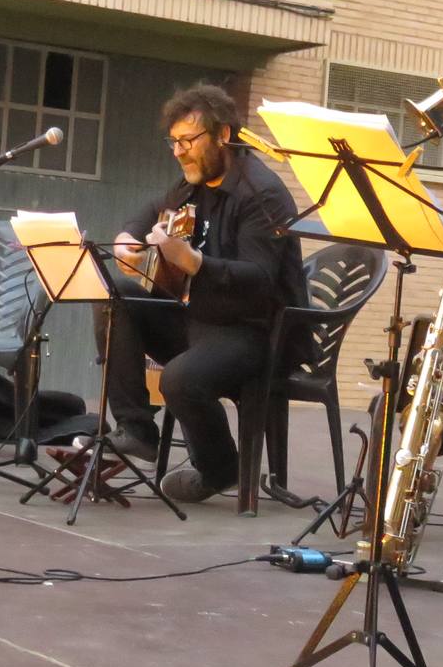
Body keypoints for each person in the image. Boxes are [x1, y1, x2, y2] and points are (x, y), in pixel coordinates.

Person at [98, 83, 306, 503]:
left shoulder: (261, 193)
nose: (178, 151)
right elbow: (154, 206)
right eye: (173, 142)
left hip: (255, 333)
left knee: (179, 377)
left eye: (188, 141)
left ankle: (219, 469)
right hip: (200, 320)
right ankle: (136, 427)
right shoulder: (194, 182)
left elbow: (261, 278)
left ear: (223, 135)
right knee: (115, 294)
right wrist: (128, 236)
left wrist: (194, 263)